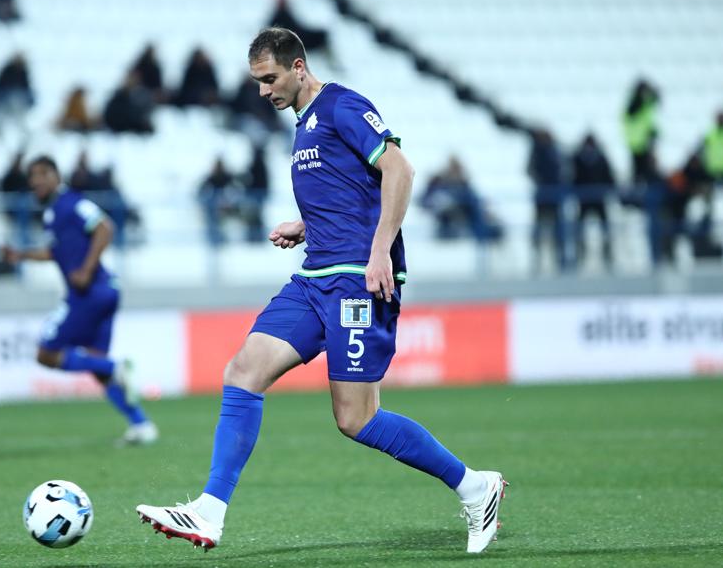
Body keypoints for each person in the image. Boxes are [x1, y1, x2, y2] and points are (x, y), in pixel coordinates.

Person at [135, 28, 506, 555]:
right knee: (243, 371)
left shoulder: (341, 106)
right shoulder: (305, 122)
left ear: (298, 67)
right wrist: (307, 226)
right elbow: (351, 191)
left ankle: (474, 486)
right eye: (257, 81)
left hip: (358, 280)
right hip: (314, 278)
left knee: (356, 419)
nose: (263, 91)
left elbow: (399, 170)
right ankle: (209, 512)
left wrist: (380, 251)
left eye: (269, 78)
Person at [1, 156, 157, 446]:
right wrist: (21, 255)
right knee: (96, 365)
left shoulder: (72, 203)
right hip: (103, 292)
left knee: (46, 354)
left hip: (90, 293)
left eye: (41, 174)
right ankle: (141, 425)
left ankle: (115, 368)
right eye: (31, 176)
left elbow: (105, 227)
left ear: (56, 176)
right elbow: (54, 252)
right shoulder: (53, 213)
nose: (35, 181)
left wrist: (86, 269)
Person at [419, 155, 502, 243]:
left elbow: (473, 201)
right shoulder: (438, 184)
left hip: (463, 217)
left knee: (476, 209)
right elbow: (425, 201)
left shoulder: (463, 185)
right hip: (445, 218)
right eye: (453, 169)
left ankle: (484, 232)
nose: (455, 173)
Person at [571, 133, 616, 268]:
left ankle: (607, 254)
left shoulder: (601, 158)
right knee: (580, 227)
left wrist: (608, 190)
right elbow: (572, 177)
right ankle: (580, 254)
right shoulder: (577, 158)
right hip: (583, 199)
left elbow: (609, 176)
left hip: (599, 199)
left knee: (605, 227)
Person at [527, 128, 569, 271]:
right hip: (543, 196)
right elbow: (529, 170)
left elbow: (564, 170)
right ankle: (537, 261)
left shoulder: (556, 151)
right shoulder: (537, 151)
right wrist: (540, 181)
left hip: (555, 196)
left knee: (558, 230)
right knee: (540, 229)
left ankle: (560, 261)